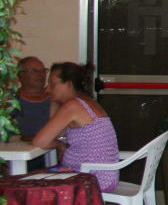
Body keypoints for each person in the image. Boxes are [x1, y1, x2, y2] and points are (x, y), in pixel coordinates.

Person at [32, 62, 119, 193]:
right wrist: (54, 102)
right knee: (37, 176)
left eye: (52, 84)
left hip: (91, 178)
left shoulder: (73, 106)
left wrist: (59, 145)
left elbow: (40, 141)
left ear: (69, 84)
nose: (47, 89)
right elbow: (56, 134)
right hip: (103, 176)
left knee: (29, 180)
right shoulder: (86, 102)